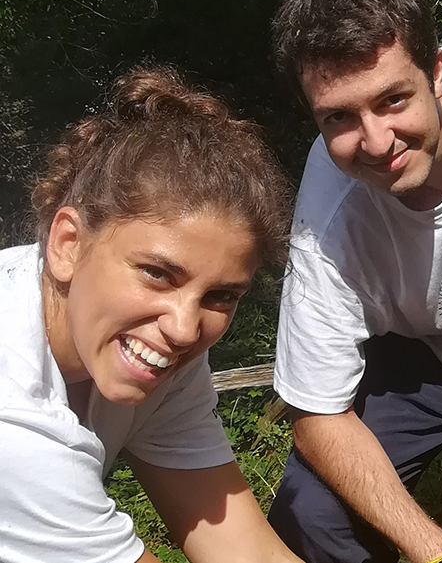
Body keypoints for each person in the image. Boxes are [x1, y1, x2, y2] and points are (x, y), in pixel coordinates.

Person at [0, 66, 298, 563]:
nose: (184, 328)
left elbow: (241, 547)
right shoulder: (12, 418)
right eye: (158, 274)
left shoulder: (154, 350)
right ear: (67, 244)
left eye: (221, 296)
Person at [264, 0, 442, 563]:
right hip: (433, 358)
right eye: (338, 116)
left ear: (437, 70)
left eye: (392, 99)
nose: (375, 142)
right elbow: (315, 412)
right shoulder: (330, 215)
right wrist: (436, 553)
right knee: (306, 514)